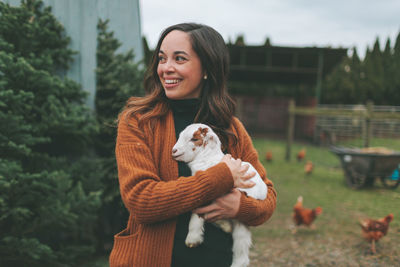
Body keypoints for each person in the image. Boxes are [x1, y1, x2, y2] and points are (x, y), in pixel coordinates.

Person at [109, 23, 277, 267]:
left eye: (179, 59)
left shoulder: (231, 129)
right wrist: (221, 177)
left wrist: (239, 206)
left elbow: (268, 200)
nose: (166, 68)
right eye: (161, 58)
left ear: (207, 69)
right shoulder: (139, 121)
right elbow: (142, 200)